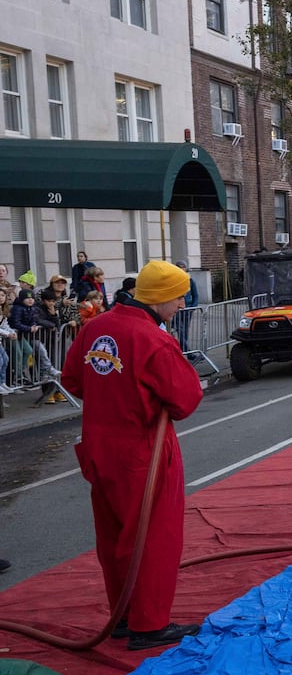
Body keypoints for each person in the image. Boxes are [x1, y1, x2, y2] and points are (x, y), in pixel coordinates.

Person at [60, 261, 203, 650]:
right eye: (178, 297)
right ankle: (149, 623)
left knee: (114, 534)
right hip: (143, 449)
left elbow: (72, 378)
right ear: (160, 297)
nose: (180, 304)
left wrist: (111, 395)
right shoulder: (153, 339)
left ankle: (122, 615)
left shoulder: (96, 326)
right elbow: (186, 399)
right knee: (155, 535)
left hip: (98, 445)